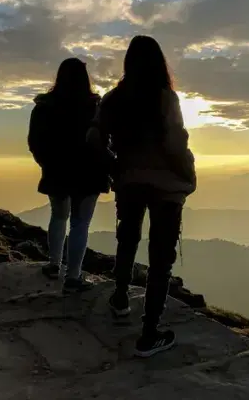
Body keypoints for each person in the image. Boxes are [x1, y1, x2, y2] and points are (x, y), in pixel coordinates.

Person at [87, 35, 196, 358]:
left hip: (129, 183)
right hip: (166, 188)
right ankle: (150, 334)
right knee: (160, 259)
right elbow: (176, 143)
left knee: (128, 240)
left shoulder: (113, 99)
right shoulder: (166, 98)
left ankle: (120, 298)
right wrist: (188, 174)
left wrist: (115, 167)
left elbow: (93, 138)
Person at [28, 58, 110, 294]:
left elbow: (35, 142)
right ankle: (73, 277)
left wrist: (47, 164)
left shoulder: (44, 106)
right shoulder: (95, 106)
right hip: (89, 173)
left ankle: (54, 264)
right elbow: (105, 139)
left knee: (58, 216)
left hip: (57, 171)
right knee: (80, 223)